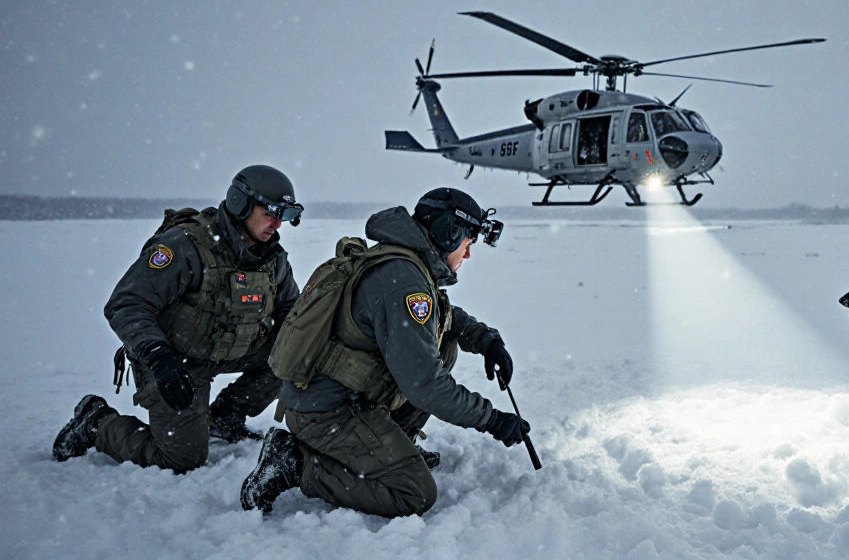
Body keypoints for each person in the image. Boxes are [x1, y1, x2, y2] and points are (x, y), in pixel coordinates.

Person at [240, 188, 528, 517]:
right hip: (325, 413)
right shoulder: (405, 282)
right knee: (414, 494)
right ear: (450, 234)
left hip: (335, 399)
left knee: (443, 343)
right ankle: (294, 463)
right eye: (468, 242)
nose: (468, 254)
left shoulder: (407, 265)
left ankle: (391, 445)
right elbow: (427, 386)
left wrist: (486, 340)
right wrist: (491, 419)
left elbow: (443, 315)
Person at [52, 165, 303, 473]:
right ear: (242, 204)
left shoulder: (272, 259)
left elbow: (295, 316)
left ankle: (224, 418)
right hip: (174, 359)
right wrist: (159, 358)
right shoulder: (186, 246)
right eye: (271, 213)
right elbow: (127, 303)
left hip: (229, 347)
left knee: (295, 351)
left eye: (285, 216)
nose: (278, 224)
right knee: (181, 460)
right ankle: (96, 423)